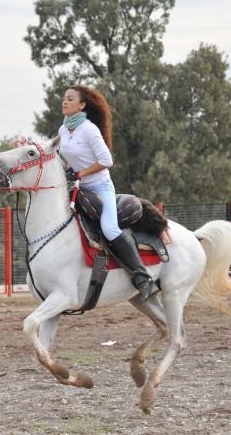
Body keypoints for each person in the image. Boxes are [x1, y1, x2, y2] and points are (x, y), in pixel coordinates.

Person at [59, 85, 153, 300]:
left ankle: (142, 277)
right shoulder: (63, 129)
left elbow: (107, 161)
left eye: (70, 99)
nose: (64, 102)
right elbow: (55, 151)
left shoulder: (89, 129)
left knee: (109, 229)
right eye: (64, 98)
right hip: (79, 189)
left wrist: (80, 173)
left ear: (82, 105)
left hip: (100, 188)